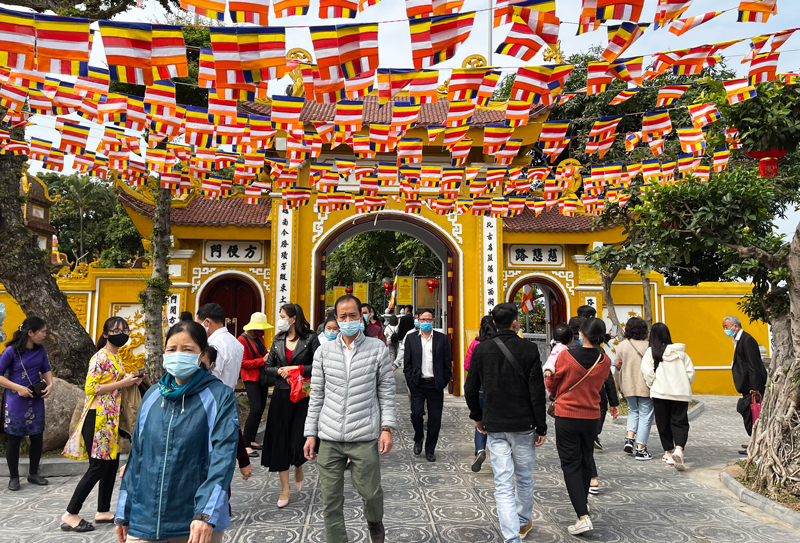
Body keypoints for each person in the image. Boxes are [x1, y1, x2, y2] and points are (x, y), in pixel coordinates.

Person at [114, 320, 239, 543]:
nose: (178, 354)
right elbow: (137, 456)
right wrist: (124, 511)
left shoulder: (219, 395)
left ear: (202, 355)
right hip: (145, 518)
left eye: (187, 349)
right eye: (171, 349)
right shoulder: (152, 395)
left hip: (194, 521)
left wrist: (205, 513)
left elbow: (223, 458)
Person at [303, 294, 396, 543]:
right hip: (329, 436)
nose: (348, 320)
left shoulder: (377, 349)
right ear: (335, 319)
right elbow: (317, 396)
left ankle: (375, 522)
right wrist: (310, 433)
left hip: (364, 434)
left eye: (353, 315)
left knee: (371, 492)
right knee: (330, 500)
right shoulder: (323, 352)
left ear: (362, 317)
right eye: (342, 316)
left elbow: (386, 391)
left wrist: (387, 427)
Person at [465, 304, 547, 543]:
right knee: (523, 477)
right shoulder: (529, 349)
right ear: (515, 322)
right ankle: (522, 521)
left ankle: (512, 538)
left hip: (495, 424)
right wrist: (541, 426)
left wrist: (478, 417)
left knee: (502, 483)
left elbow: (470, 388)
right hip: (523, 424)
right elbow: (537, 391)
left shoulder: (482, 350)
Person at [61, 317, 142, 532]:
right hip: (97, 419)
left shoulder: (115, 357)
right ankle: (70, 513)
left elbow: (113, 384)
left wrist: (131, 381)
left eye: (124, 329)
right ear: (105, 334)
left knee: (110, 466)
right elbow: (91, 387)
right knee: (97, 467)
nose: (121, 333)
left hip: (109, 420)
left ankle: (103, 510)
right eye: (116, 330)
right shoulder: (100, 357)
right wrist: (123, 382)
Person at [545, 318, 615, 537]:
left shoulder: (567, 355)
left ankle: (582, 516)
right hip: (591, 416)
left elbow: (553, 382)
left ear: (582, 334)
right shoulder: (605, 360)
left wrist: (549, 380)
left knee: (570, 464)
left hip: (567, 415)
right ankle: (582, 507)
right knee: (585, 461)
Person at [262, 304, 320, 507]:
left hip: (302, 396)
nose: (281, 320)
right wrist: (280, 371)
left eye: (283, 316)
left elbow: (319, 364)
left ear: (294, 318)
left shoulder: (310, 339)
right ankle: (284, 488)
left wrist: (297, 369)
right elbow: (268, 367)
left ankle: (299, 464)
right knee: (280, 441)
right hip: (281, 395)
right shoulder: (278, 339)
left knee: (299, 438)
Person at [0, 317, 53, 492]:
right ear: (30, 333)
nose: (45, 335)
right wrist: (18, 388)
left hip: (35, 399)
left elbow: (46, 369)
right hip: (15, 400)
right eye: (43, 331)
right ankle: (14, 477)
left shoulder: (40, 349)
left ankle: (33, 473)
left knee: (37, 436)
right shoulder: (11, 351)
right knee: (15, 438)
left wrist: (50, 384)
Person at [641, 323, 695, 471]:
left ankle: (669, 453)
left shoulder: (652, 352)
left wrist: (653, 384)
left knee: (663, 422)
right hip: (681, 393)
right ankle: (679, 449)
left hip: (660, 393)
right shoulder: (681, 352)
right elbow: (690, 373)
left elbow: (647, 371)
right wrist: (683, 384)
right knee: (680, 421)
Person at [403, 308, 452, 462]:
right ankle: (418, 437)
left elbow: (447, 363)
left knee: (435, 419)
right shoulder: (411, 338)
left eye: (428, 320)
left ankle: (430, 449)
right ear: (418, 320)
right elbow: (407, 364)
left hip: (435, 385)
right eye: (422, 320)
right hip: (417, 384)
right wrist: (410, 382)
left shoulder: (441, 339)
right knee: (417, 414)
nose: (425, 322)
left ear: (433, 320)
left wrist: (443, 380)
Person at [201, 347, 252, 484]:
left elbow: (233, 429)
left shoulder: (220, 395)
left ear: (212, 366)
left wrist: (243, 460)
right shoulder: (166, 394)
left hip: (212, 465)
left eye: (202, 363)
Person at [723, 316, 768, 452]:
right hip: (746, 385)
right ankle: (753, 441)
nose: (725, 330)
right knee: (750, 414)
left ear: (735, 327)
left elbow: (753, 365)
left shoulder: (747, 340)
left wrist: (754, 387)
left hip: (752, 386)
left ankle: (757, 445)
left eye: (726, 327)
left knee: (753, 414)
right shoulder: (739, 340)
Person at [614, 317, 654, 460]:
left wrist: (619, 387)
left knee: (633, 411)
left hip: (628, 384)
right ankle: (641, 448)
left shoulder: (622, 345)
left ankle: (629, 439)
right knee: (645, 416)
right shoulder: (649, 345)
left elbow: (617, 366)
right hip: (645, 386)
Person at [463, 315, 497, 472]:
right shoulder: (500, 343)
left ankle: (480, 450)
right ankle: (498, 454)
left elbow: (467, 365)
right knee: (497, 423)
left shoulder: (476, 343)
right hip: (498, 388)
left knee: (480, 422)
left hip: (481, 388)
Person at [239, 312, 273, 456]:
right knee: (255, 408)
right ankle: (245, 443)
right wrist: (262, 361)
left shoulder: (259, 338)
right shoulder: (242, 340)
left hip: (262, 377)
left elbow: (264, 353)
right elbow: (243, 363)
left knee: (260, 408)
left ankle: (252, 439)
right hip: (250, 377)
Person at [197, 303, 244, 391]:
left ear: (207, 322)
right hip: (228, 393)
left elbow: (212, 375)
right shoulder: (237, 343)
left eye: (199, 324)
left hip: (213, 394)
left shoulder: (212, 345)